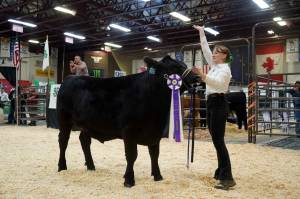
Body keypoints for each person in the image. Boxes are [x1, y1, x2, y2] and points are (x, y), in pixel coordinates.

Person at [192, 25, 236, 190]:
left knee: (219, 141)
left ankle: (227, 178)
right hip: (211, 103)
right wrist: (202, 32)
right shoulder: (215, 66)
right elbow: (205, 49)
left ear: (224, 55)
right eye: (215, 52)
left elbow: (219, 84)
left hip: (219, 103)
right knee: (216, 140)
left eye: (217, 52)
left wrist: (203, 76)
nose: (214, 54)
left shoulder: (225, 70)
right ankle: (220, 171)